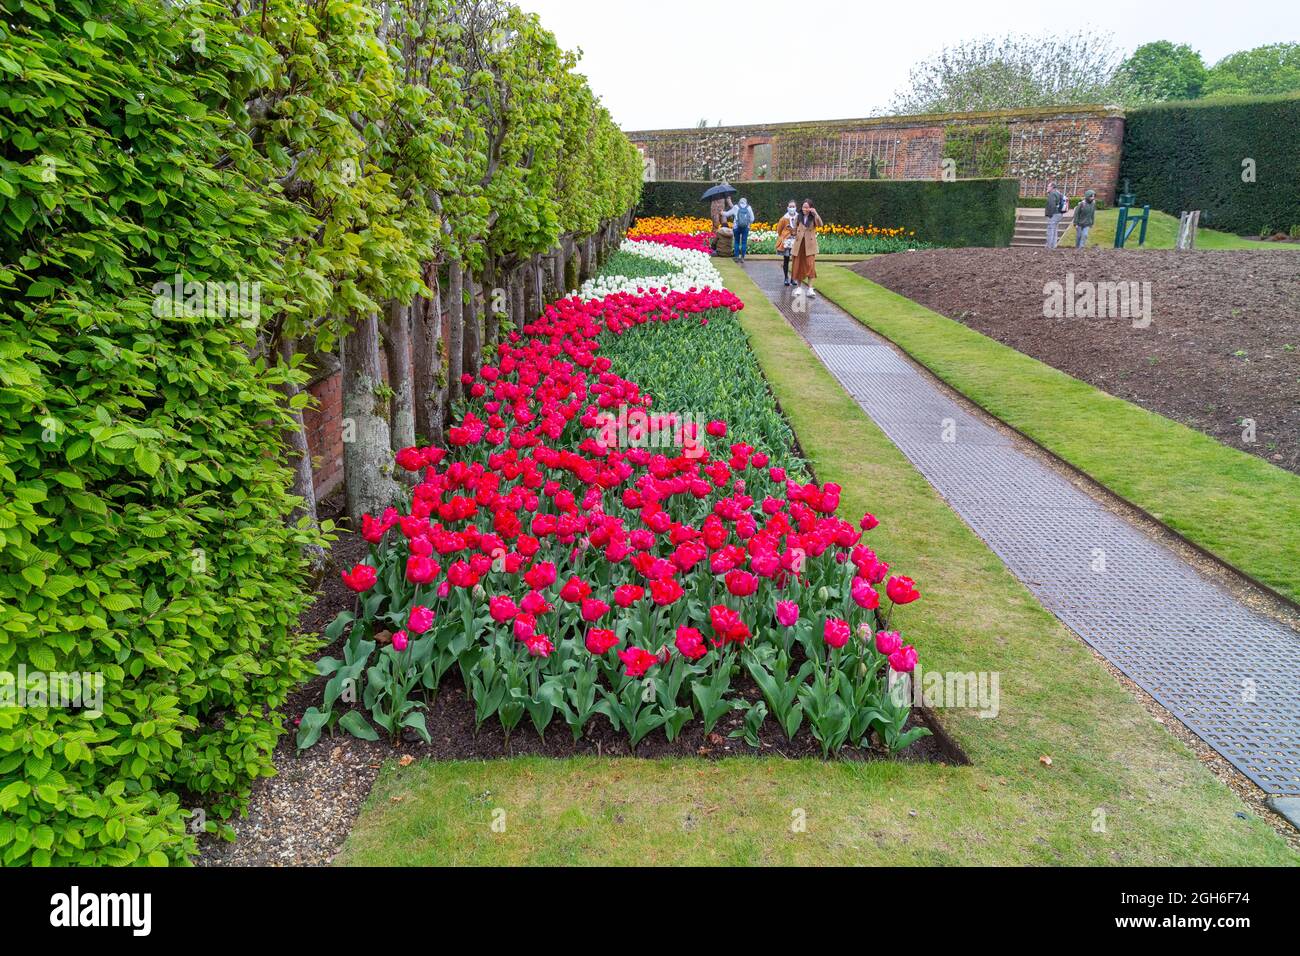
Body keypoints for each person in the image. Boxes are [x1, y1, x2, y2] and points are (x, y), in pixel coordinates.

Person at [792, 199, 823, 295]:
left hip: (810, 245)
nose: (805, 209)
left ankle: (810, 289)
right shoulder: (798, 216)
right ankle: (799, 288)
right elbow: (794, 229)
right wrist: (792, 231)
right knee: (798, 265)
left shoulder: (813, 217)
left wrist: (816, 214)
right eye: (803, 207)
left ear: (810, 207)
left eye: (807, 207)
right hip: (799, 244)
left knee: (810, 266)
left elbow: (820, 224)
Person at [775, 200, 799, 286]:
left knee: (795, 260)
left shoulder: (798, 217)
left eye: (793, 206)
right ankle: (786, 278)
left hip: (796, 241)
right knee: (786, 259)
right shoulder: (783, 218)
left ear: (796, 207)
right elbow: (779, 230)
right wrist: (785, 235)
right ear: (787, 207)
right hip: (787, 242)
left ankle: (793, 278)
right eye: (790, 206)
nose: (792, 208)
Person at [724, 197, 756, 262]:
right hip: (746, 227)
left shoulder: (736, 207)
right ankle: (742, 258)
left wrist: (721, 212)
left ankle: (736, 257)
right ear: (746, 202)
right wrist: (748, 223)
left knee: (736, 242)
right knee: (744, 242)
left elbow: (727, 214)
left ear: (739, 201)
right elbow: (752, 219)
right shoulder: (749, 207)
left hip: (736, 227)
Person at [1045, 180, 1066, 249]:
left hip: (1054, 214)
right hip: (1059, 214)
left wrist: (1050, 215)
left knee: (1050, 230)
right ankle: (1053, 246)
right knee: (1054, 230)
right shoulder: (1059, 193)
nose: (1047, 188)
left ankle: (1049, 247)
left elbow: (1052, 205)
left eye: (1048, 186)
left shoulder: (1052, 194)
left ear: (1052, 187)